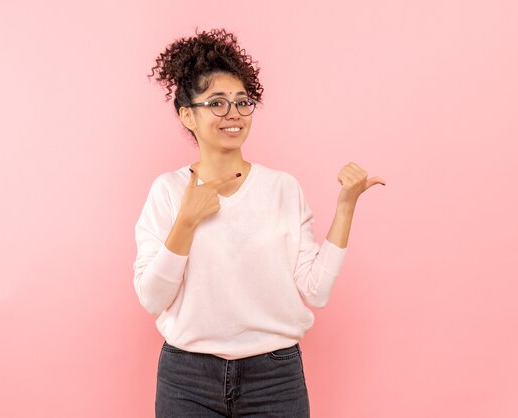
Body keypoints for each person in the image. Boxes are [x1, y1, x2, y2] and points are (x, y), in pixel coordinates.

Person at [134, 27, 385, 418]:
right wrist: (185, 221)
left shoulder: (282, 188)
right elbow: (152, 298)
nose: (233, 113)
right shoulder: (167, 192)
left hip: (275, 378)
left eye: (242, 102)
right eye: (216, 103)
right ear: (188, 115)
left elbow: (315, 291)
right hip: (187, 377)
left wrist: (346, 206)